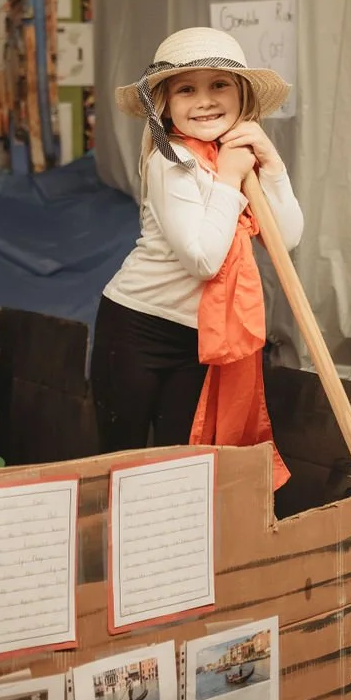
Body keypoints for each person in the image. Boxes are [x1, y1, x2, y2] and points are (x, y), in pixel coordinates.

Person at [89, 28, 303, 487]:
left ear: (242, 94)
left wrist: (273, 166)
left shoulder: (233, 156)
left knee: (179, 469)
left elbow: (285, 239)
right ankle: (111, 556)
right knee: (118, 465)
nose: (204, 100)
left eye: (218, 85)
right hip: (136, 327)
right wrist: (229, 179)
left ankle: (169, 556)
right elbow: (203, 259)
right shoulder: (173, 162)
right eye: (187, 88)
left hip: (197, 340)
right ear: (165, 102)